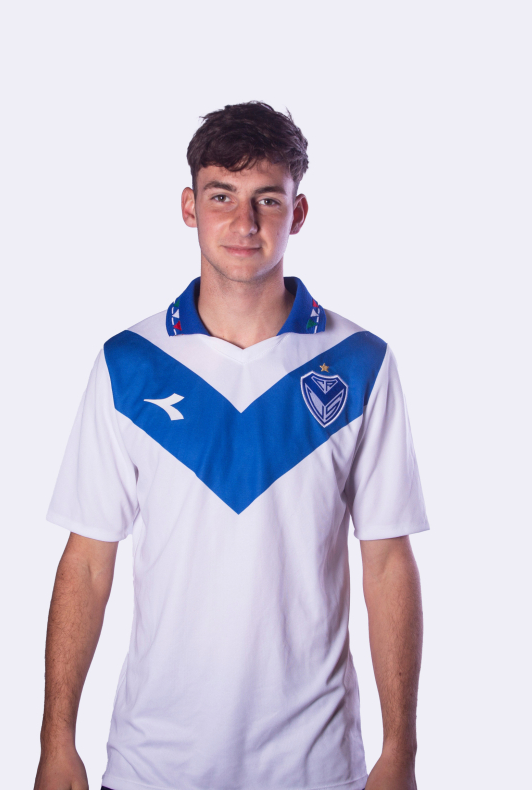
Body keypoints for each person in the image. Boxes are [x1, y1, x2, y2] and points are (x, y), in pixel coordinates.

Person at [34, 101, 429, 790]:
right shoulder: (130, 364)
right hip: (154, 763)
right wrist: (55, 740)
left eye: (266, 199)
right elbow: (88, 563)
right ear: (189, 207)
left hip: (313, 766)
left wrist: (401, 752)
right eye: (222, 196)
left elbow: (388, 562)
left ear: (297, 213)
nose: (244, 222)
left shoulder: (359, 362)